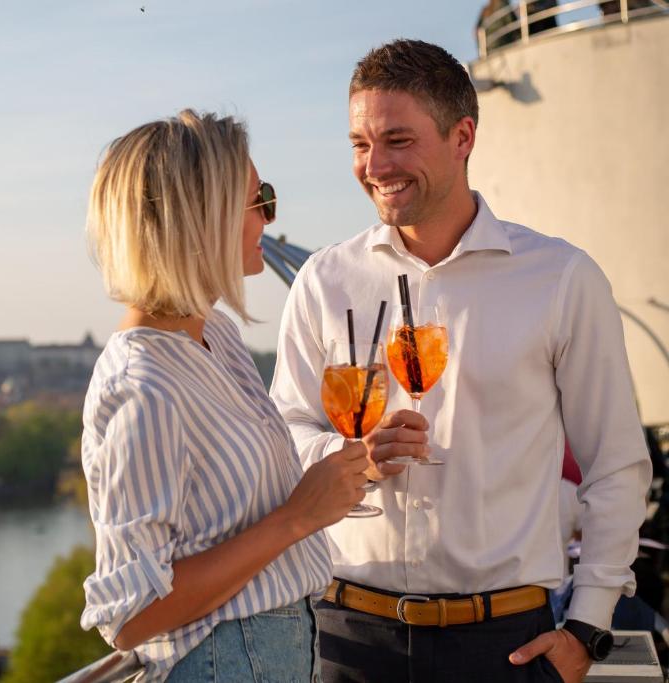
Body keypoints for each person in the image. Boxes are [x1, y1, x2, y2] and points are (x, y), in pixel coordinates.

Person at [270, 39, 652, 683]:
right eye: (360, 144)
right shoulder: (324, 281)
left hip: (504, 648)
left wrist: (587, 626)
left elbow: (615, 466)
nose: (375, 165)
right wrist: (354, 458)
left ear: (463, 136)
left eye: (398, 140)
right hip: (346, 641)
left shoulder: (560, 277)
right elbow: (284, 435)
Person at [78, 109, 421, 682]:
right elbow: (132, 614)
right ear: (202, 219)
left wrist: (352, 463)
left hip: (275, 653)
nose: (270, 214)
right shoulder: (142, 383)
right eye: (258, 198)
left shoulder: (216, 339)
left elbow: (239, 507)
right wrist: (296, 518)